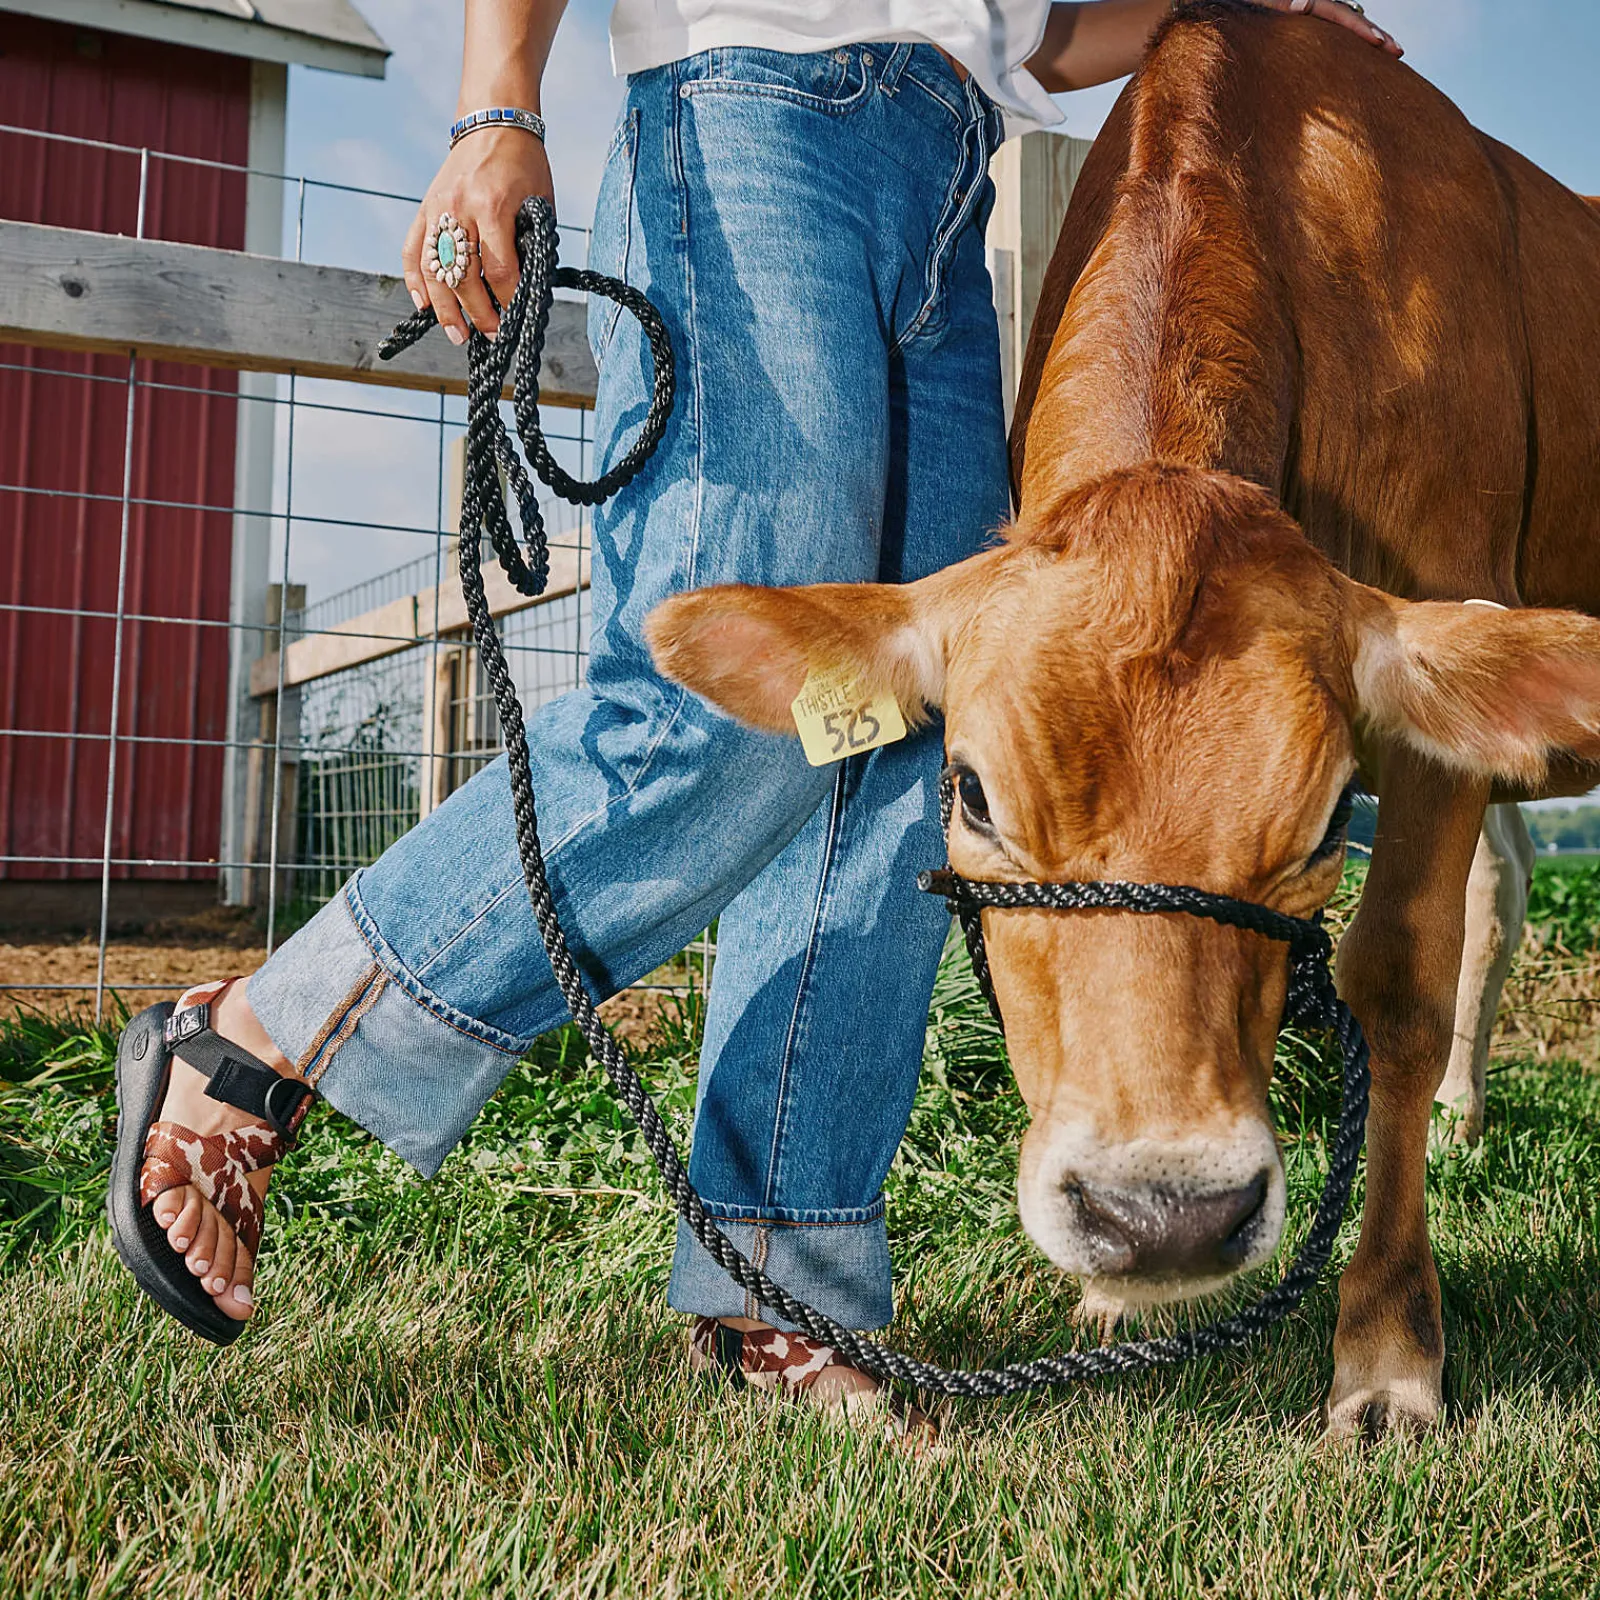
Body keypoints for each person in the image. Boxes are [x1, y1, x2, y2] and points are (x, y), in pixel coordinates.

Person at [110, 0, 1400, 1442]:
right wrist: (496, 103)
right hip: (750, 116)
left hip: (946, 178)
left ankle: (775, 1286)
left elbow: (1024, 42)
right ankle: (261, 1037)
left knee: (908, 752)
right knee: (717, 714)